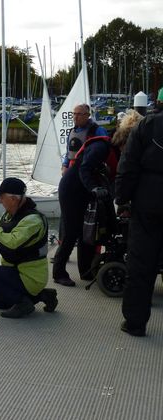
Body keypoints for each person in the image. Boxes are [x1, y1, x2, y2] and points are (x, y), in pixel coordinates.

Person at [115, 87, 163, 337]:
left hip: (148, 203)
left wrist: (122, 200)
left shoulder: (145, 127)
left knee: (141, 264)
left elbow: (128, 165)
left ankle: (135, 323)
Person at [52, 103, 111, 287]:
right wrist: (65, 165)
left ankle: (85, 271)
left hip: (84, 184)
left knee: (88, 231)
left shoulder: (98, 132)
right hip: (72, 184)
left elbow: (94, 160)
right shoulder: (73, 131)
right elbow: (73, 157)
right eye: (73, 114)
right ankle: (59, 272)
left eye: (79, 114)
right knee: (71, 232)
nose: (75, 117)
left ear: (88, 115)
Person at [0, 177, 57, 318]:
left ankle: (23, 303)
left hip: (29, 277)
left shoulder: (33, 220)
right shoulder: (7, 215)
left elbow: (13, 241)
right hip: (15, 271)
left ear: (13, 199)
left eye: (1, 198)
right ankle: (44, 295)